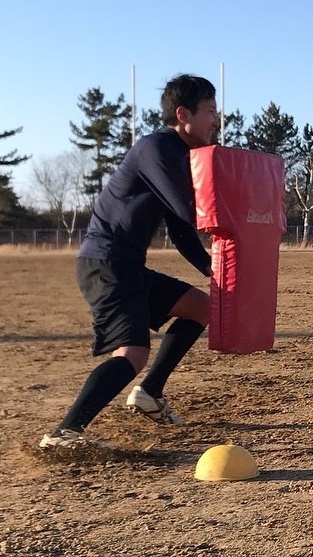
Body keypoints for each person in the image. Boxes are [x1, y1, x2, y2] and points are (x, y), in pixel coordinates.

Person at [40, 74, 218, 449]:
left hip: (128, 266)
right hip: (106, 264)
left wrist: (209, 268)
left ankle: (150, 393)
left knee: (202, 307)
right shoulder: (157, 148)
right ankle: (65, 433)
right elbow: (187, 208)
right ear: (183, 114)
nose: (215, 120)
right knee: (133, 353)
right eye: (210, 111)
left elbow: (180, 228)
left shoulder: (178, 156)